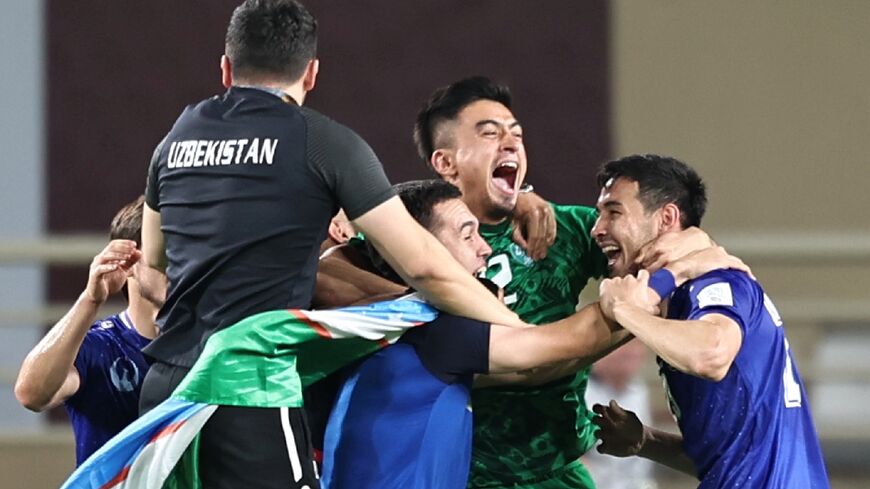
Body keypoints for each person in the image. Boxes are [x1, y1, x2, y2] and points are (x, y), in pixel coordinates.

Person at [139, 2, 522, 488]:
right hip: (248, 387)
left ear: (226, 67)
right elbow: (424, 267)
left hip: (166, 392)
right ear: (312, 73)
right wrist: (511, 324)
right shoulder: (323, 143)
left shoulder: (175, 139)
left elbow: (152, 268)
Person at [413, 76, 709, 489]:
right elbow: (333, 263)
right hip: (462, 474)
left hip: (559, 472)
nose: (511, 142)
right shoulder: (414, 238)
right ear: (446, 163)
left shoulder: (566, 228)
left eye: (516, 134)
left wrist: (696, 247)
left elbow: (666, 252)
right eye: (489, 133)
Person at [322, 180, 626, 489]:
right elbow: (547, 357)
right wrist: (652, 293)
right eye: (468, 235)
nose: (486, 248)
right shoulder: (438, 330)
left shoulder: (391, 322)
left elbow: (535, 372)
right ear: (420, 251)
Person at [592, 154, 830, 488]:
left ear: (667, 218)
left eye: (613, 212)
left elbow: (711, 354)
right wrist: (645, 441)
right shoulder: (681, 303)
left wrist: (625, 309)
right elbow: (729, 460)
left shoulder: (714, 284)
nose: (597, 228)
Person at [14, 196, 164, 466]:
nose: (177, 265)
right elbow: (31, 393)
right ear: (127, 262)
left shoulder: (205, 344)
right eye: (163, 253)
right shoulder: (101, 345)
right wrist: (91, 300)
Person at [582, 340, 657, 489]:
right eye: (625, 346)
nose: (632, 353)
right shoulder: (581, 394)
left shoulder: (639, 392)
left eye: (638, 345)